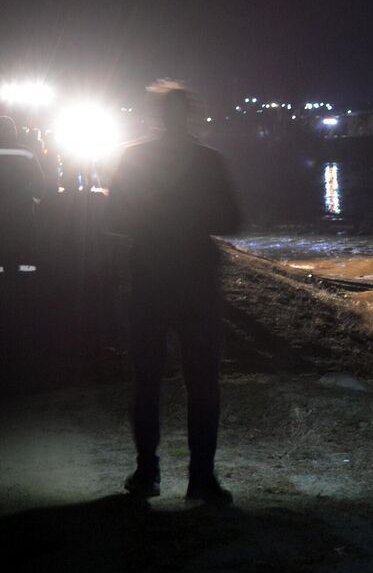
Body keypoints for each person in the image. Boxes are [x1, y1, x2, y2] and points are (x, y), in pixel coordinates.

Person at [107, 88, 241, 504]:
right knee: (203, 382)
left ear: (156, 116)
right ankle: (201, 478)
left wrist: (153, 220)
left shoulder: (134, 158)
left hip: (148, 277)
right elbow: (232, 220)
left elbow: (114, 216)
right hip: (197, 280)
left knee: (146, 379)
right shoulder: (208, 160)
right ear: (191, 115)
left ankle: (146, 472)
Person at [0, 116, 45, 277]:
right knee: (22, 241)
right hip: (22, 208)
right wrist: (35, 200)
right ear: (14, 131)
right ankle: (21, 275)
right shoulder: (26, 153)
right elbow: (39, 180)